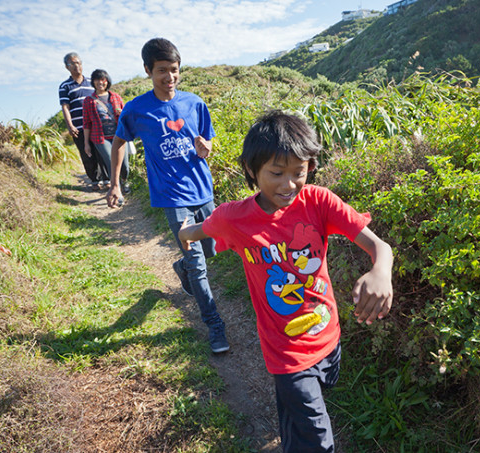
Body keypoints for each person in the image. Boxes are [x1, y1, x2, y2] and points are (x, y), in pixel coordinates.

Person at [177, 110, 394, 452]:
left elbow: (378, 245)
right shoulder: (235, 218)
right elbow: (201, 229)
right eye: (276, 173)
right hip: (285, 351)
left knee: (300, 421)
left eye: (299, 172)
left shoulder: (319, 201)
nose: (288, 184)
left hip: (328, 334)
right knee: (318, 441)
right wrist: (185, 232)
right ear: (252, 170)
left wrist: (381, 270)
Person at [105, 38, 228, 353]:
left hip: (202, 189)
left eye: (174, 70)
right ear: (148, 70)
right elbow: (119, 143)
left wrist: (206, 149)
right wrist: (115, 183)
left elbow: (207, 143)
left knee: (212, 249)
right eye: (162, 71)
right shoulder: (137, 109)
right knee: (199, 262)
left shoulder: (194, 103)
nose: (169, 78)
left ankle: (183, 268)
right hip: (172, 196)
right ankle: (215, 327)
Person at [59, 52, 105, 190]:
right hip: (78, 127)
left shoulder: (92, 82)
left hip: (96, 125)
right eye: (72, 63)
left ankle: (107, 178)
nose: (76, 66)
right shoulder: (65, 86)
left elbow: (101, 98)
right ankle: (95, 181)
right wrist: (70, 125)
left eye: (78, 62)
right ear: (67, 67)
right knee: (87, 154)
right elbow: (65, 107)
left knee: (101, 152)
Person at [82, 68, 130, 193]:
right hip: (100, 138)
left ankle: (124, 180)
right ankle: (117, 190)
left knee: (125, 166)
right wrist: (86, 143)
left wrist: (121, 114)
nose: (100, 82)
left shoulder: (116, 97)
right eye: (97, 80)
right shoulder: (88, 101)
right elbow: (86, 123)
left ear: (107, 81)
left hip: (119, 136)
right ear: (93, 82)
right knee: (111, 162)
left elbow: (126, 117)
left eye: (103, 79)